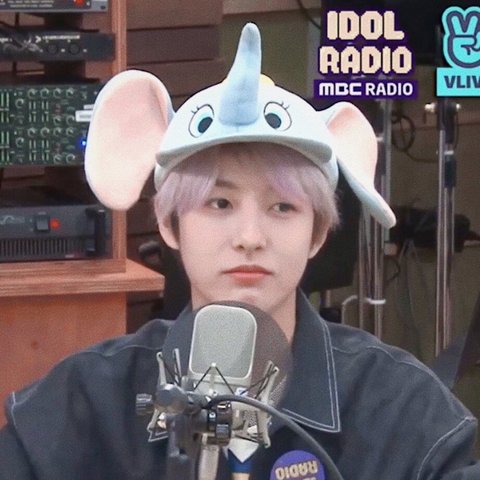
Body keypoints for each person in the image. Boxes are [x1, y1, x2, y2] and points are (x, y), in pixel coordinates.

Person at [1, 23, 479, 480]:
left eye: (282, 207)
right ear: (170, 224)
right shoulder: (83, 403)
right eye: (220, 203)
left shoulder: (403, 410)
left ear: (317, 233)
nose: (250, 236)